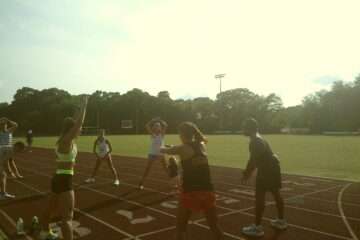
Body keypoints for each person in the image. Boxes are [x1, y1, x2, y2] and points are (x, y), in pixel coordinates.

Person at [161, 122, 223, 240]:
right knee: (214, 226)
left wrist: (160, 145)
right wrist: (173, 147)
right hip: (208, 190)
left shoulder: (182, 148)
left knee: (180, 228)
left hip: (190, 192)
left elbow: (164, 150)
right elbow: (183, 149)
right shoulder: (202, 145)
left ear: (181, 134)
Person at [39, 96, 88, 240]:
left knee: (50, 209)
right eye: (78, 130)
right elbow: (78, 124)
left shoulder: (64, 140)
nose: (80, 131)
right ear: (71, 130)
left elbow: (75, 122)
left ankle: (45, 232)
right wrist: (85, 105)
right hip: (65, 179)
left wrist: (79, 108)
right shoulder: (66, 142)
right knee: (67, 217)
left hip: (59, 178)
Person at [241, 118, 287, 237]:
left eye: (244, 127)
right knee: (276, 193)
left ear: (249, 128)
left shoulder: (255, 141)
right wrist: (248, 172)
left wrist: (246, 174)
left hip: (267, 170)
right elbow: (255, 159)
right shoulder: (258, 138)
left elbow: (253, 161)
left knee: (260, 197)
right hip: (272, 168)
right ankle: (281, 221)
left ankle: (257, 228)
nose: (242, 129)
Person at [138, 118, 169, 190]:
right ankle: (141, 183)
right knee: (147, 169)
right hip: (152, 153)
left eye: (158, 126)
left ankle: (173, 182)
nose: (157, 127)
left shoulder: (162, 134)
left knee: (166, 168)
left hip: (161, 154)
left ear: (160, 128)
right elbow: (147, 126)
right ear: (154, 128)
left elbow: (166, 125)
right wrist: (153, 120)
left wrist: (160, 120)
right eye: (155, 126)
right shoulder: (152, 134)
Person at [0, 117, 18, 200]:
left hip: (8, 151)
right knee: (3, 173)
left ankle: (3, 193)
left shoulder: (9, 130)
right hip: (3, 152)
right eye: (2, 125)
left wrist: (8, 120)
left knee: (3, 174)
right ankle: (3, 194)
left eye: (4, 124)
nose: (3, 126)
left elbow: (16, 125)